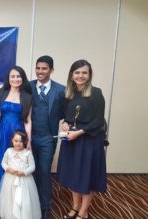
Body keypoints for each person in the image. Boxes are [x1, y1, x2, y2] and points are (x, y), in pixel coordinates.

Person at [57, 59, 106, 219]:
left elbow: (98, 121)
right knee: (73, 175)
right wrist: (65, 123)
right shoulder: (69, 94)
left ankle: (83, 212)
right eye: (77, 72)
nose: (81, 76)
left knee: (86, 177)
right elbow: (67, 116)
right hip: (72, 141)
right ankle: (75, 207)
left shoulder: (96, 93)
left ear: (89, 75)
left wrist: (79, 132)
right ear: (72, 75)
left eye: (84, 72)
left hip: (89, 141)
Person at [0, 66, 32, 212]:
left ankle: (15, 205)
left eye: (18, 76)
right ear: (8, 79)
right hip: (2, 133)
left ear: (23, 78)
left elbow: (28, 121)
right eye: (12, 76)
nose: (15, 79)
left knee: (17, 166)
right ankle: (0, 203)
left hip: (18, 135)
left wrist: (28, 141)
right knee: (1, 164)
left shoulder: (27, 96)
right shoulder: (1, 93)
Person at [30, 55, 65, 219]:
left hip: (48, 139)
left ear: (51, 70)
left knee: (44, 172)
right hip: (29, 139)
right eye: (38, 68)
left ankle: (45, 207)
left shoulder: (60, 90)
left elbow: (66, 114)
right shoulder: (27, 86)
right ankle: (32, 203)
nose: (40, 71)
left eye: (44, 68)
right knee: (30, 171)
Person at [0, 131, 41, 219]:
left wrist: (24, 172)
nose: (18, 143)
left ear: (25, 142)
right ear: (12, 141)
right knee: (10, 197)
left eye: (21, 141)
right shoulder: (8, 151)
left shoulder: (28, 153)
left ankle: (24, 215)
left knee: (24, 198)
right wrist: (8, 169)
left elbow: (32, 167)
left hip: (24, 180)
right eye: (16, 141)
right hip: (10, 179)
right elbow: (3, 163)